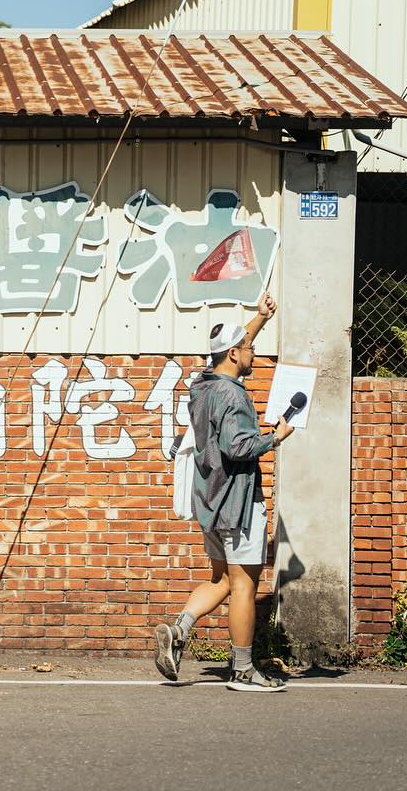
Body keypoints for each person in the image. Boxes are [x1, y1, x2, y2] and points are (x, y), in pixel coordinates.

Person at [152, 294, 294, 692]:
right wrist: (275, 437)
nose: (254, 353)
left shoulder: (203, 386)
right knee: (244, 584)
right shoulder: (233, 395)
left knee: (221, 580)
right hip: (238, 502)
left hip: (211, 501)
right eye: (249, 349)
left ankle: (179, 631)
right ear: (233, 353)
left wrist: (259, 320)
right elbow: (238, 447)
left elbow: (231, 349)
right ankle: (244, 671)